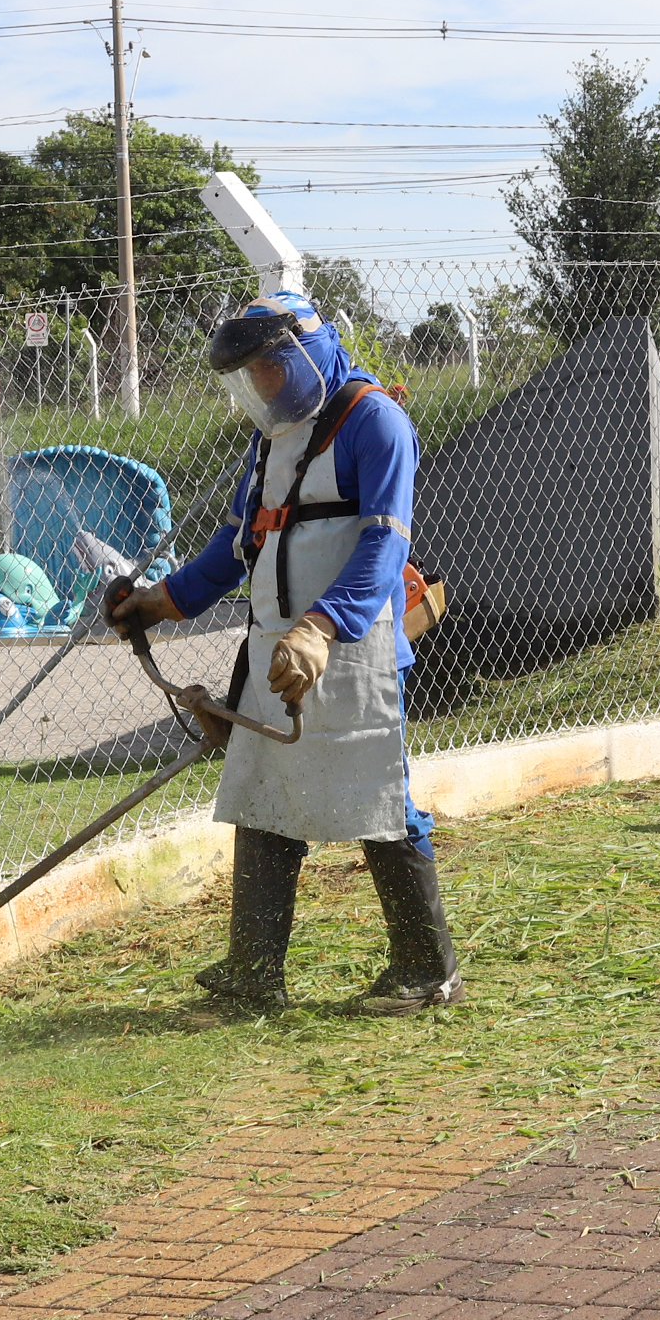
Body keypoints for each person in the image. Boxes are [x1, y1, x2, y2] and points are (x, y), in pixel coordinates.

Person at [107, 291, 460, 1013]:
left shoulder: (376, 422)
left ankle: (429, 972)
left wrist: (321, 628)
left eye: (272, 367)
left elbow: (384, 545)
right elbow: (239, 544)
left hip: (353, 649)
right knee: (264, 798)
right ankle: (254, 972)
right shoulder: (270, 439)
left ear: (308, 352)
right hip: (275, 647)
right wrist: (162, 601)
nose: (263, 384)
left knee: (380, 802)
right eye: (252, 374)